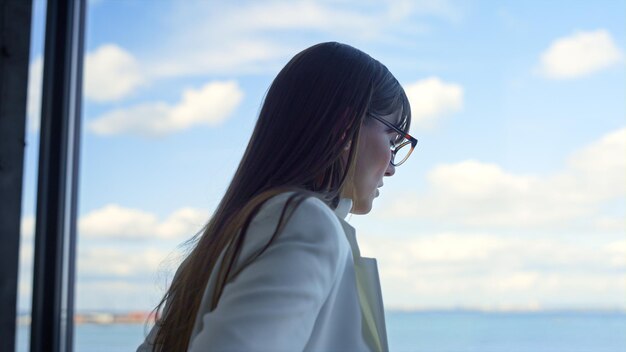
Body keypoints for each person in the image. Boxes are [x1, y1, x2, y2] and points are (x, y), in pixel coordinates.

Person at [138, 41, 417, 352]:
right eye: (392, 142)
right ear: (345, 126)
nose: (391, 168)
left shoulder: (217, 245)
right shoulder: (306, 222)